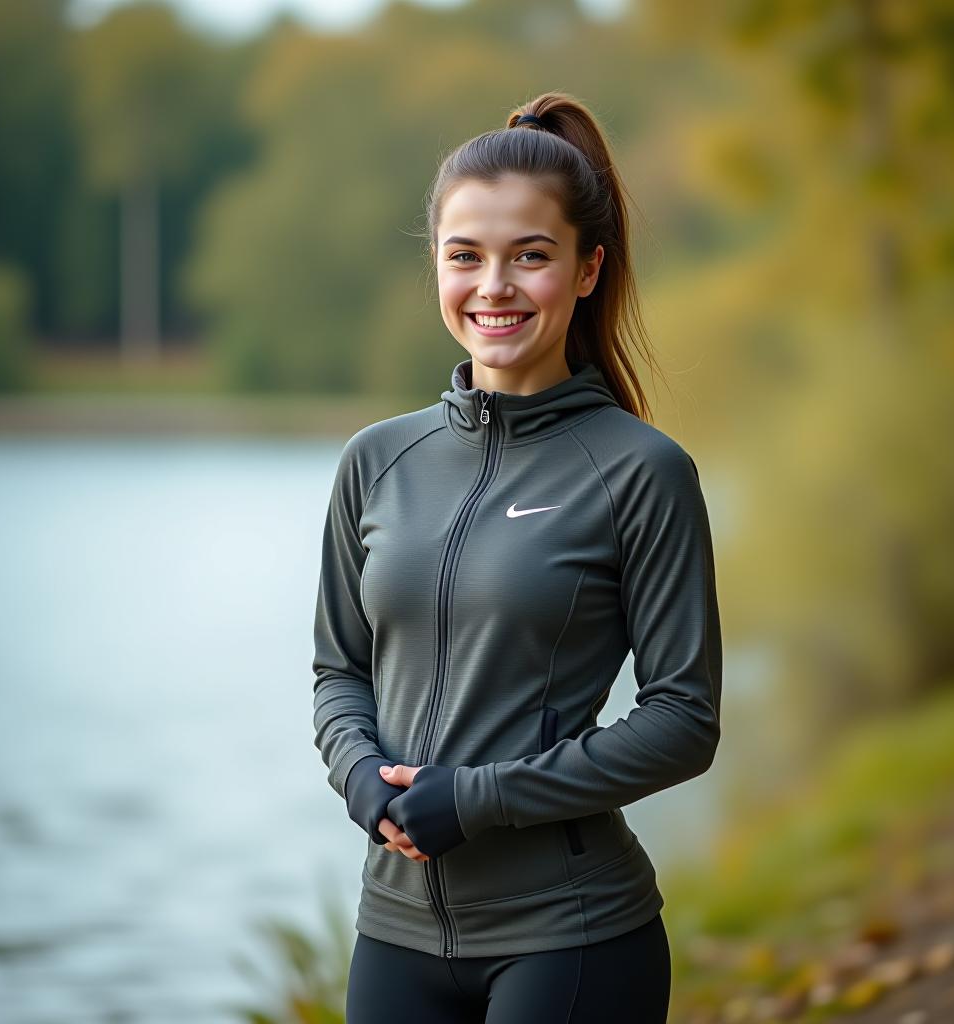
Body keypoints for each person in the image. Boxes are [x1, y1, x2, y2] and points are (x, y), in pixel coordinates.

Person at [312, 91, 722, 1024]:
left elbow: (682, 719)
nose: (493, 285)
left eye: (530, 255)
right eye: (466, 256)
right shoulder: (377, 460)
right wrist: (360, 776)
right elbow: (339, 668)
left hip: (571, 937)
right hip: (394, 935)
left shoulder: (641, 471)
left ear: (586, 270)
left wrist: (482, 798)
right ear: (438, 267)